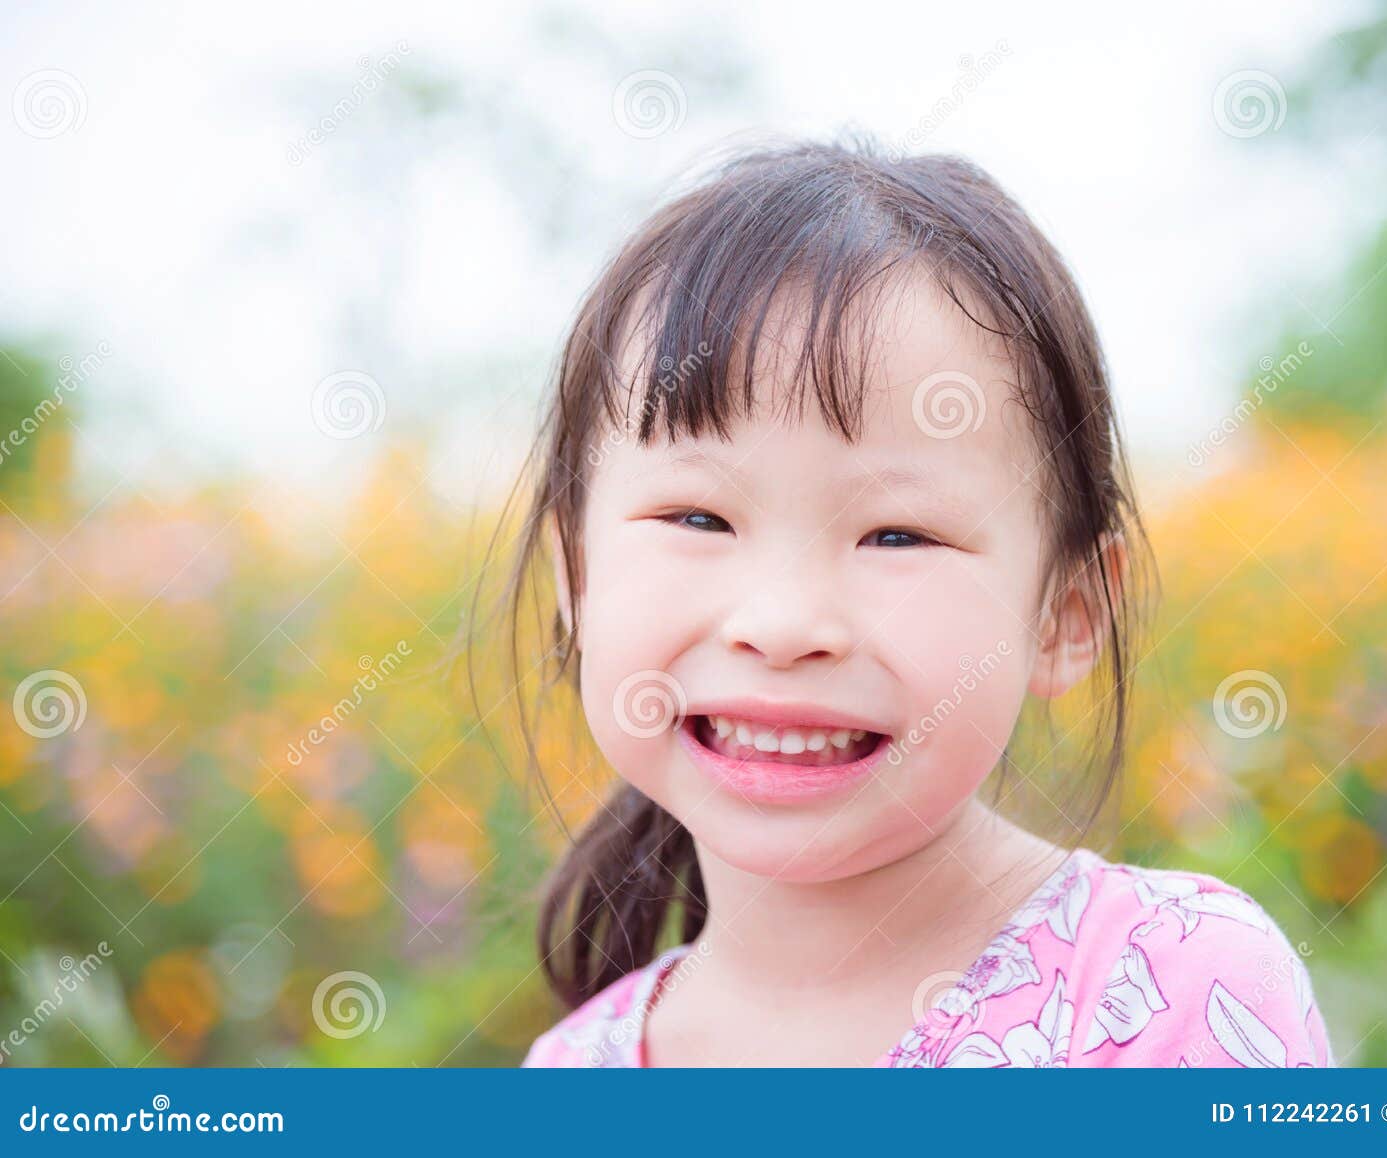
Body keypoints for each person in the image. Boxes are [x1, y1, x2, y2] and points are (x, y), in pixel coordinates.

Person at [501, 137, 1333, 1068]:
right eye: (697, 516)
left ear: (1067, 614)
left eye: (896, 535)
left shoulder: (1168, 988)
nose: (781, 626)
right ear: (576, 577)